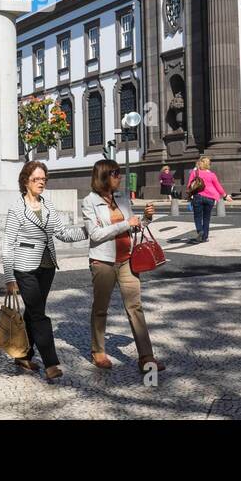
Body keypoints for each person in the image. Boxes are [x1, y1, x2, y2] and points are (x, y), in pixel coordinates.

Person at [2, 162, 88, 381]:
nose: (41, 183)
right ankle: (51, 363)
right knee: (39, 315)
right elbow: (8, 244)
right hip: (24, 268)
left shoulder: (48, 206)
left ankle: (23, 355)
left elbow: (61, 232)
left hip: (47, 267)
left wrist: (87, 231)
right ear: (25, 181)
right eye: (36, 179)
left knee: (32, 312)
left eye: (44, 179)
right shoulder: (16, 209)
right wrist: (9, 277)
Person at [83, 159, 162, 374]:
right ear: (103, 177)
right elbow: (96, 234)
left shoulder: (122, 199)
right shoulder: (89, 202)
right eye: (115, 174)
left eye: (119, 173)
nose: (119, 177)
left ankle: (146, 357)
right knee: (101, 307)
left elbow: (134, 229)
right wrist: (126, 224)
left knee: (135, 307)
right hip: (103, 262)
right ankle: (98, 350)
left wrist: (146, 218)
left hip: (128, 260)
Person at [186, 156, 225, 243]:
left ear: (200, 163)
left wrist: (190, 194)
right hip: (210, 198)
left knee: (197, 217)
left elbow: (189, 185)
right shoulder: (212, 175)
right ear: (208, 164)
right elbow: (218, 186)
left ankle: (200, 231)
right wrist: (225, 195)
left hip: (198, 196)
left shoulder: (195, 173)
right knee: (206, 218)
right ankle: (205, 237)